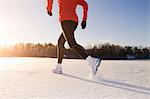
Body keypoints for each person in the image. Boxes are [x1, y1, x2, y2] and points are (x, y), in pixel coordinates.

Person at [47, 0, 101, 75]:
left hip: (65, 20)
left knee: (71, 43)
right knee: (60, 42)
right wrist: (84, 20)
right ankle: (58, 67)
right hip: (74, 22)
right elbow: (85, 4)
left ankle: (92, 61)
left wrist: (49, 8)